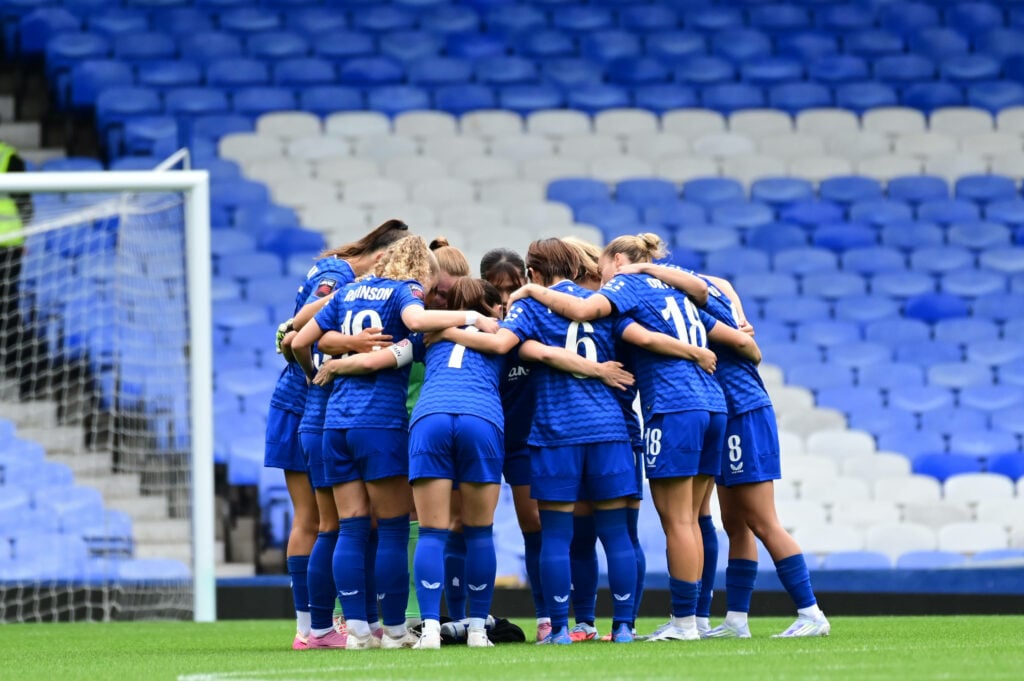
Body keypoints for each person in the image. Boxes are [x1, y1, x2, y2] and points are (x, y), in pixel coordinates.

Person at [508, 234, 761, 642]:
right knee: (654, 527)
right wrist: (713, 341)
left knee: (563, 534)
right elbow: (735, 333)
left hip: (570, 429)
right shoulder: (674, 291)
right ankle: (641, 625)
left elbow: (514, 339)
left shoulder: (605, 295)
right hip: (640, 425)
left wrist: (527, 330)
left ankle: (562, 628)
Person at [290, 235, 498, 650]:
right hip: (380, 423)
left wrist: (321, 371)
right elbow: (417, 325)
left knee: (349, 528)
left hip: (334, 422)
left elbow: (298, 340)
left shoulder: (348, 291)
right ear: (421, 271)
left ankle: (357, 634)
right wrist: (471, 319)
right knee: (391, 530)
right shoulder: (406, 293)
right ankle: (397, 631)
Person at [435, 239, 644, 644]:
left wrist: (435, 330)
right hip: (608, 429)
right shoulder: (603, 302)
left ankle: (559, 629)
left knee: (554, 533)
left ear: (532, 275)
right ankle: (623, 627)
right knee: (615, 533)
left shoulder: (529, 308)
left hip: (555, 431)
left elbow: (504, 345)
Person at [623, 264, 830, 639]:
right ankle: (735, 619)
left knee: (761, 519)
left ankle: (811, 611)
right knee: (734, 522)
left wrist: (741, 336)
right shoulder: (699, 292)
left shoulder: (686, 297)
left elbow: (749, 347)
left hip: (742, 408)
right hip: (722, 409)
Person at [269, 219, 409, 649]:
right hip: (309, 406)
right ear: (385, 256)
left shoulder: (335, 269)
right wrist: (329, 362)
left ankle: (337, 624)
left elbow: (295, 333)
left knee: (342, 523)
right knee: (323, 522)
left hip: (314, 411)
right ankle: (314, 627)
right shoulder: (340, 277)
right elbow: (297, 328)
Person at [0, 141, 35, 395]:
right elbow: (25, 203)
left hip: (8, 245)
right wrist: (24, 232)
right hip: (10, 244)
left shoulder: (10, 158)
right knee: (8, 307)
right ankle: (15, 368)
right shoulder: (10, 157)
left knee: (8, 307)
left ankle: (15, 370)